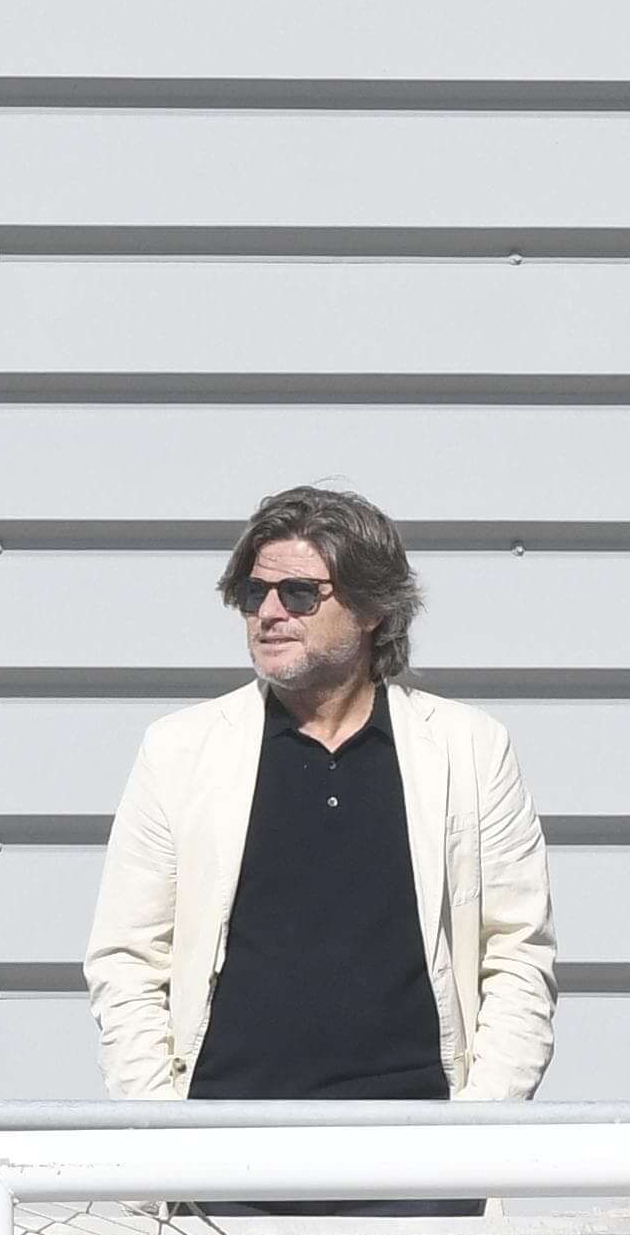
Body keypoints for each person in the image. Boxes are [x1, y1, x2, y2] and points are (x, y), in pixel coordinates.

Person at [84, 488, 558, 1168]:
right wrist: (165, 1134)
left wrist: (475, 1135)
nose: (269, 613)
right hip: (222, 1161)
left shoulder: (469, 749)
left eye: (300, 594)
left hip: (419, 1163)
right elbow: (127, 959)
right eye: (254, 593)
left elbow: (517, 953)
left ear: (372, 608)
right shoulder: (181, 751)